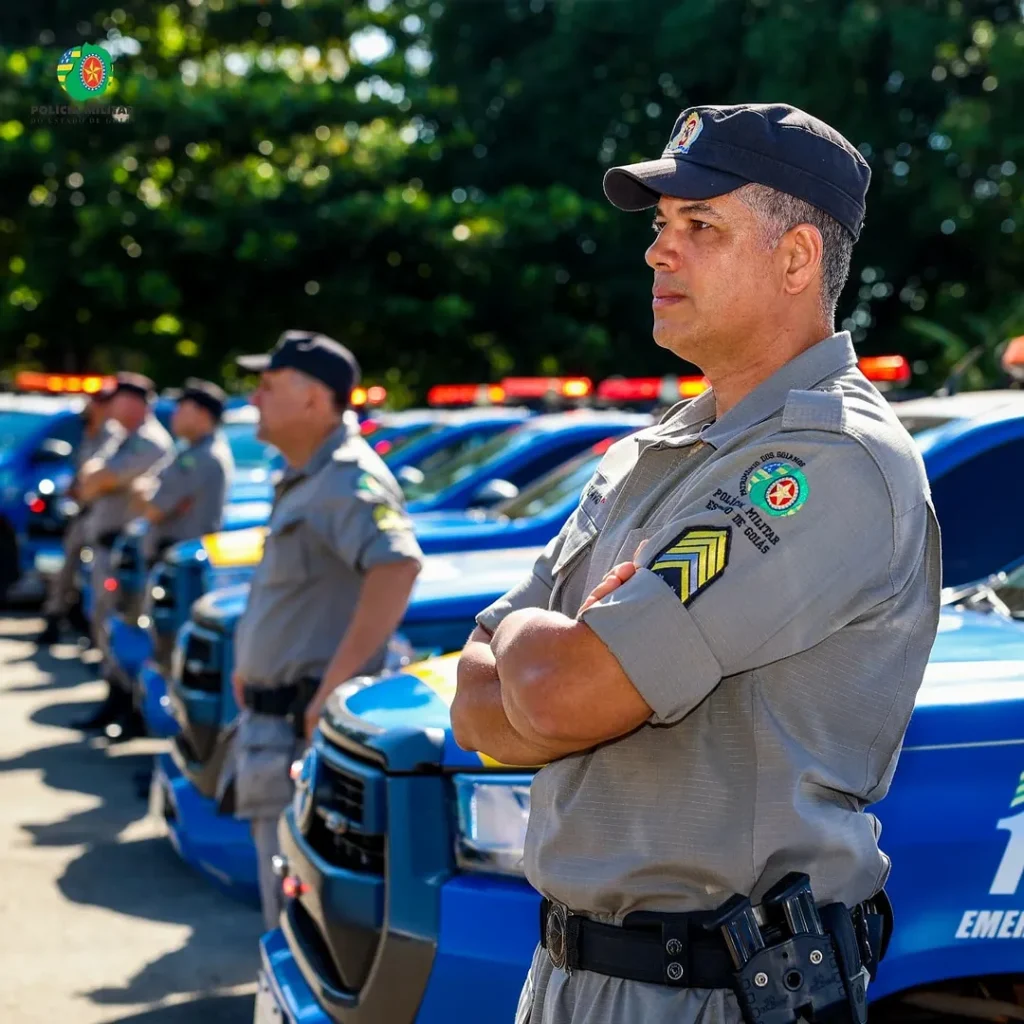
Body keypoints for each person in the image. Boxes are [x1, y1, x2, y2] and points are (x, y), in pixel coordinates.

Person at [452, 103, 942, 1024]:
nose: (656, 252)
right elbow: (477, 708)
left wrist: (521, 632)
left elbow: (558, 696)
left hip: (716, 991)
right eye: (661, 226)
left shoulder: (822, 460)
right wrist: (550, 658)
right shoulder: (654, 451)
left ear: (797, 259)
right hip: (566, 973)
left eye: (700, 227)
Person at [224, 331, 422, 930]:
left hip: (300, 732)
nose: (254, 399)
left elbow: (396, 565)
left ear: (314, 399)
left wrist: (329, 691)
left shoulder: (344, 475)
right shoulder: (310, 475)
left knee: (299, 922)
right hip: (275, 726)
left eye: (268, 385)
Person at [75, 372, 174, 732]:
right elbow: (86, 478)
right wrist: (97, 477)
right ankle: (116, 701)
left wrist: (98, 477)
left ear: (134, 403)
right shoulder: (121, 438)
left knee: (127, 632)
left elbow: (98, 478)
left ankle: (129, 709)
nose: (109, 406)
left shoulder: (149, 442)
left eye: (117, 398)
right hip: (107, 549)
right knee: (105, 627)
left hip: (127, 556)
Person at [37, 382, 122, 645]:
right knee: (68, 566)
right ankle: (57, 615)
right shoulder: (89, 431)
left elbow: (102, 476)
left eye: (100, 401)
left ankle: (94, 629)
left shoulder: (114, 435)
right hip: (84, 511)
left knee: (99, 574)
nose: (94, 406)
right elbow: (81, 471)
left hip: (101, 512)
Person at [134, 378, 234, 566]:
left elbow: (153, 510)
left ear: (203, 414)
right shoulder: (192, 450)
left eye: (181, 408)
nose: (174, 414)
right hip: (176, 561)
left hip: (179, 565)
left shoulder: (202, 457)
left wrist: (143, 489)